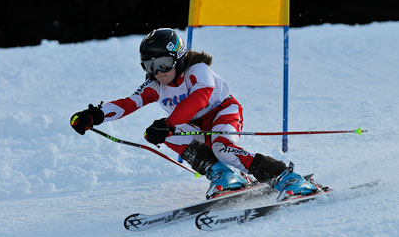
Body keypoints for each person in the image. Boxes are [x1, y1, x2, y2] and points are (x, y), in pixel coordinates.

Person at [70, 28, 317, 199]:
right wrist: (95, 116)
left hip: (222, 113)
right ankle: (224, 174)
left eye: (163, 64)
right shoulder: (155, 85)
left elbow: (201, 97)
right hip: (191, 124)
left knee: (223, 148)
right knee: (159, 134)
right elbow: (129, 103)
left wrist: (169, 122)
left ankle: (288, 178)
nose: (158, 72)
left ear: (178, 57)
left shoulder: (198, 69)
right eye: (150, 66)